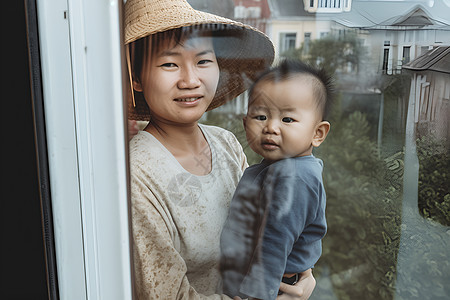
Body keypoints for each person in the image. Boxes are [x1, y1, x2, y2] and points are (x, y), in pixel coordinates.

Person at [125, 0, 316, 299]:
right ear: (136, 78)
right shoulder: (136, 173)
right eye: (169, 64)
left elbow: (267, 228)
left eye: (203, 61)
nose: (190, 80)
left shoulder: (225, 143)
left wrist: (301, 273)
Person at [220, 59, 333, 300]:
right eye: (260, 116)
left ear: (317, 133)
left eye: (287, 119)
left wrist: (260, 295)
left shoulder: (294, 176)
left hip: (270, 286)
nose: (271, 127)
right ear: (245, 122)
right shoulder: (277, 167)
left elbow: (275, 241)